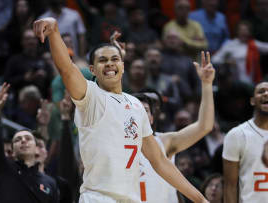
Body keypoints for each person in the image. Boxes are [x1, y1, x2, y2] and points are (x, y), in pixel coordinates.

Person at [33, 17, 209, 203]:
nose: (109, 63)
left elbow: (159, 161)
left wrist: (199, 199)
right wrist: (54, 32)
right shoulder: (91, 97)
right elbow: (67, 69)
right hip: (98, 198)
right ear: (92, 69)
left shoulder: (135, 105)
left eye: (114, 59)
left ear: (123, 66)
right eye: (103, 60)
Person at [132, 50, 215, 203]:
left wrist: (207, 84)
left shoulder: (164, 141)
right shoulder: (116, 142)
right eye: (136, 111)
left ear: (151, 117)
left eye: (145, 111)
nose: (140, 116)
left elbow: (205, 126)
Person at [0, 59, 59, 203]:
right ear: (12, 151)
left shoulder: (50, 183)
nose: (23, 141)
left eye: (28, 138)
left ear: (37, 148)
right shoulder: (3, 167)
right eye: (17, 140)